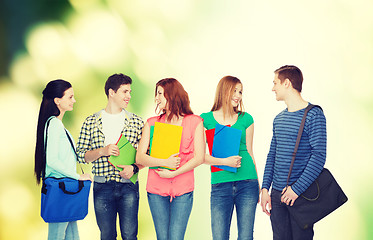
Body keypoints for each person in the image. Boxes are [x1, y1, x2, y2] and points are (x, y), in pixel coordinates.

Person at [260, 65, 327, 240]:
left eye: (275, 83)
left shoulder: (314, 115)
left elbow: (319, 156)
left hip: (301, 196)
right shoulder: (278, 119)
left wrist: (296, 189)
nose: (273, 88)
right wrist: (266, 188)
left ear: (287, 83)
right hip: (276, 196)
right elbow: (272, 155)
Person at [76, 74, 144, 240]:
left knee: (130, 235)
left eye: (130, 92)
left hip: (128, 186)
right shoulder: (91, 121)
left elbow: (147, 154)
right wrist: (102, 151)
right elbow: (81, 155)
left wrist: (134, 168)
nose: (129, 96)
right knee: (107, 235)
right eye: (125, 91)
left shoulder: (137, 122)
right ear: (111, 92)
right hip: (102, 187)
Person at [136, 78, 205, 240]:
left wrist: (174, 173)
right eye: (156, 94)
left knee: (175, 237)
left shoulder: (195, 122)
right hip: (156, 188)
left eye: (160, 93)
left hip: (183, 188)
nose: (156, 98)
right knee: (162, 237)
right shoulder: (152, 124)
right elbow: (140, 157)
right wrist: (164, 163)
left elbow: (199, 157)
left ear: (171, 95)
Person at [200, 76, 260, 240]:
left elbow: (250, 152)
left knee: (246, 236)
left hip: (248, 183)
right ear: (223, 91)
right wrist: (224, 162)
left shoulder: (246, 119)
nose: (238, 95)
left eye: (240, 92)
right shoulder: (205, 119)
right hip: (220, 184)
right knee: (219, 236)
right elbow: (199, 156)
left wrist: (259, 185)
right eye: (234, 90)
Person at [34, 79, 92, 240]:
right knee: (57, 236)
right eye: (70, 97)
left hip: (65, 190)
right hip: (61, 189)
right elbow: (52, 161)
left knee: (73, 236)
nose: (74, 100)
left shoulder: (58, 125)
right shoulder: (54, 125)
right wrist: (78, 176)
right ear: (57, 101)